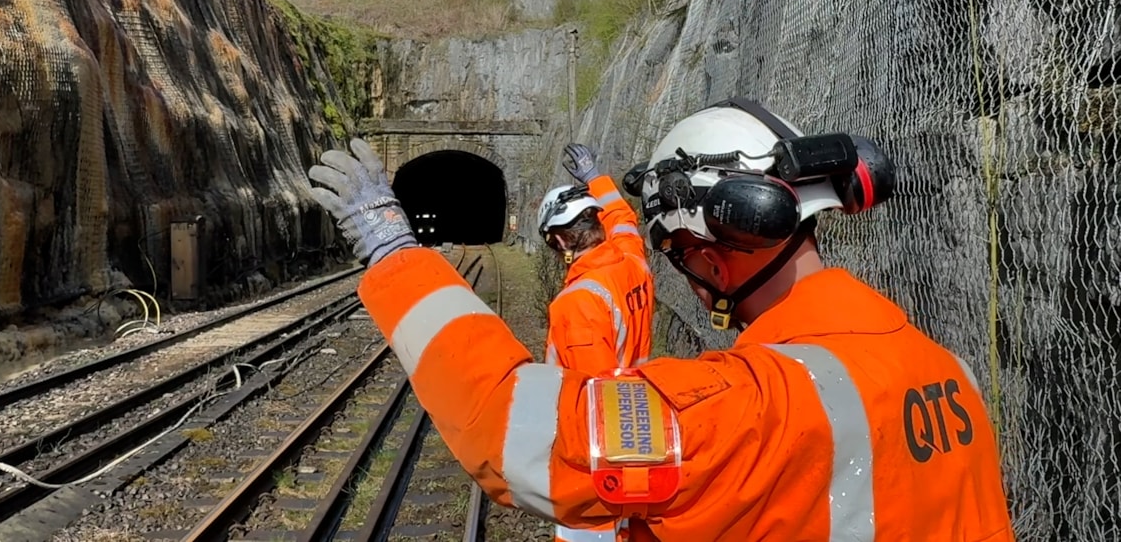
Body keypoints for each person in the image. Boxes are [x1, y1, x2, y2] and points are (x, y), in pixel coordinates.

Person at [307, 97, 1015, 541]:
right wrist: (604, 189)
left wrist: (395, 254)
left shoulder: (744, 407)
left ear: (708, 248)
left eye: (674, 250)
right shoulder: (945, 371)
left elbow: (514, 427)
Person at [537, 143, 656, 541]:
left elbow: (596, 399)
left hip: (598, 456)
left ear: (561, 242)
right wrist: (595, 178)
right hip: (640, 421)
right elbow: (623, 218)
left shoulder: (577, 304)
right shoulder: (630, 259)